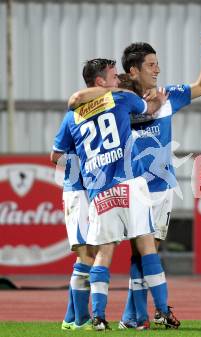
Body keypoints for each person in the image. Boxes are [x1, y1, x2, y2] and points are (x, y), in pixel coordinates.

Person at [51, 58, 179, 330]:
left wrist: (85, 163)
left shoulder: (72, 115)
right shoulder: (122, 99)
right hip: (127, 184)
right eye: (113, 76)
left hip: (93, 189)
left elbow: (56, 155)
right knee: (144, 246)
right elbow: (151, 108)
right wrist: (157, 100)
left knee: (95, 253)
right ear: (100, 82)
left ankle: (87, 318)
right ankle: (162, 311)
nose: (118, 80)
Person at [118, 28, 201, 330]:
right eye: (150, 64)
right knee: (141, 251)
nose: (157, 69)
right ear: (133, 70)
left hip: (163, 186)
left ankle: (131, 317)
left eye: (157, 64)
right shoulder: (120, 101)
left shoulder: (169, 94)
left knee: (148, 252)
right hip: (135, 187)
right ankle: (144, 315)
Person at [57, 153, 94, 331]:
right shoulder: (72, 123)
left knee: (88, 255)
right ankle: (82, 320)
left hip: (89, 190)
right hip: (78, 192)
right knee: (86, 256)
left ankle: (70, 319)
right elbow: (55, 155)